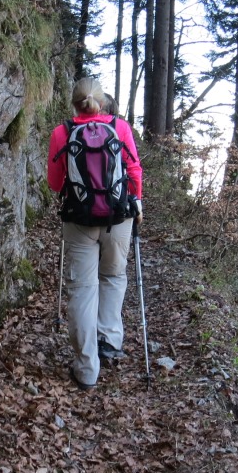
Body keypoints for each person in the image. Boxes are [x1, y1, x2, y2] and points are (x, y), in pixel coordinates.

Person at [48, 78, 143, 390]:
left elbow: (54, 181)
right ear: (102, 102)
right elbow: (133, 170)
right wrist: (136, 201)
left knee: (83, 288)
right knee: (113, 276)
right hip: (119, 217)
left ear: (74, 104)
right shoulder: (120, 127)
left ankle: (87, 369)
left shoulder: (61, 132)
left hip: (79, 220)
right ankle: (109, 340)